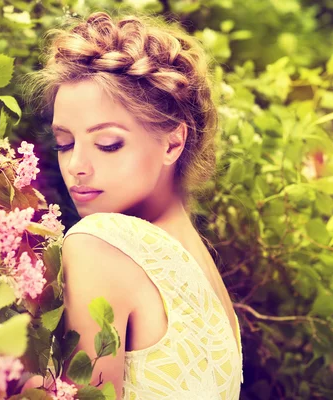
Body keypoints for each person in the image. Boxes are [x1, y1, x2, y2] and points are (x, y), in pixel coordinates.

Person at [21, 10, 243, 399]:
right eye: (65, 143)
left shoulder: (101, 241)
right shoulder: (204, 270)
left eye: (108, 144)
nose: (76, 166)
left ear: (172, 143)